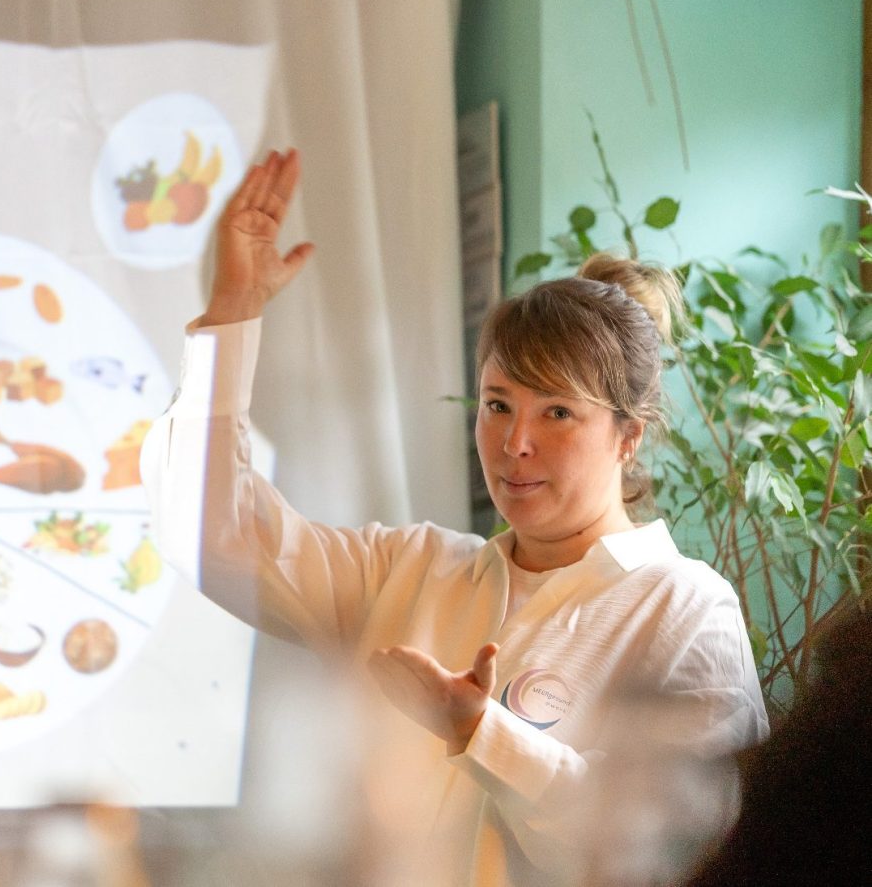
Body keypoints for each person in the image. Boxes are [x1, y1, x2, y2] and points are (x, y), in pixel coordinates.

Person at [140, 149, 769, 886]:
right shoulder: (413, 571)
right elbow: (215, 532)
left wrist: (481, 732)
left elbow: (677, 846)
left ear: (628, 437)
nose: (515, 442)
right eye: (498, 403)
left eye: (557, 412)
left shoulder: (683, 606)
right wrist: (234, 310)